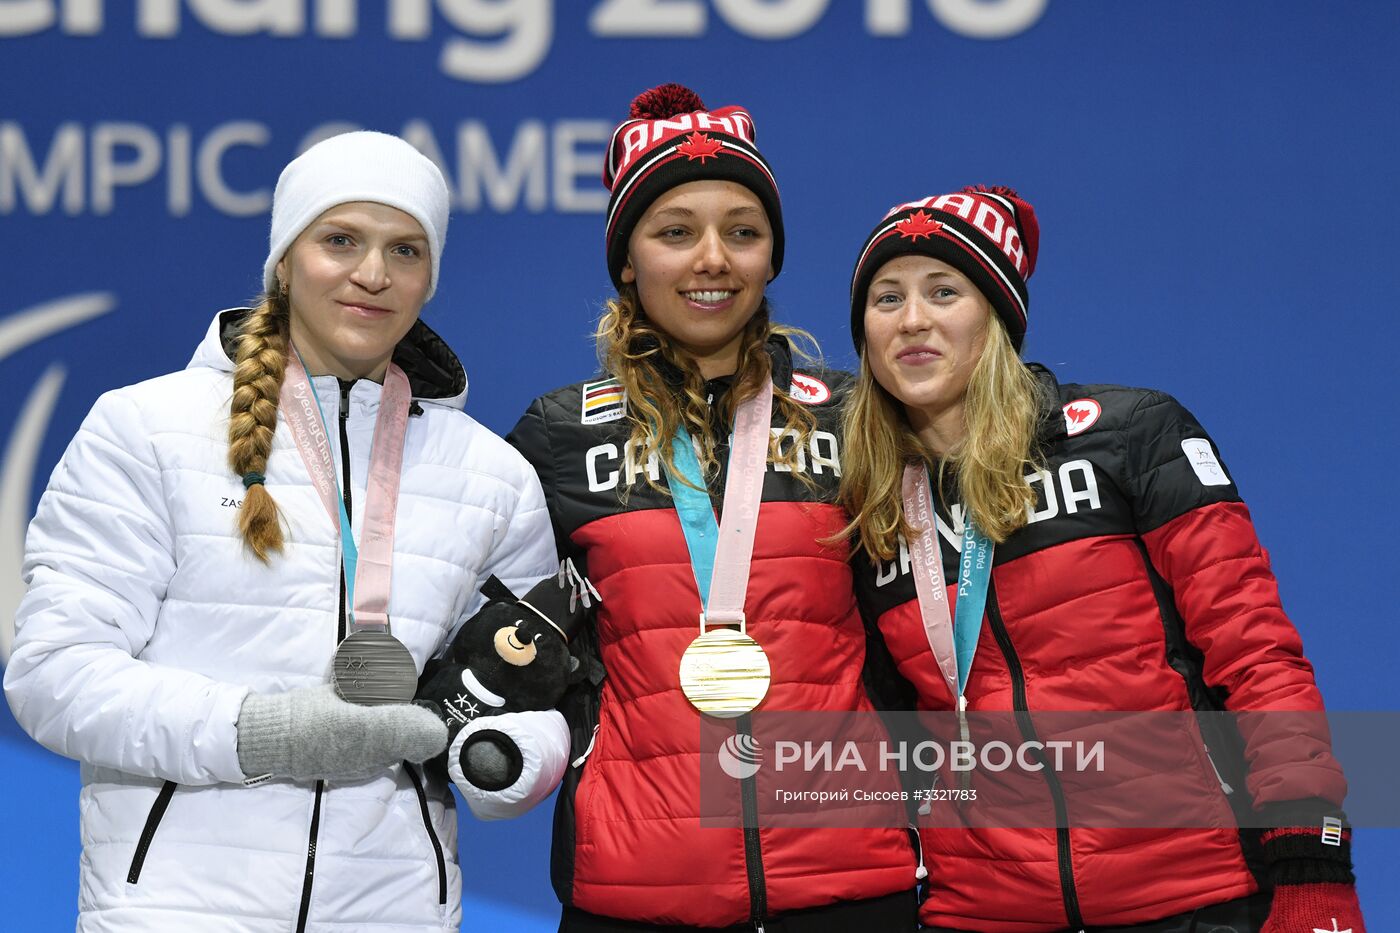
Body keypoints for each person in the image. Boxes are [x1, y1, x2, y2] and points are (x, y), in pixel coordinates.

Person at [4, 131, 564, 932]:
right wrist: (264, 732)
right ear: (284, 258)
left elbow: (535, 692)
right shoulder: (145, 429)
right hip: (173, 908)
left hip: (396, 912)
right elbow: (53, 676)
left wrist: (504, 761)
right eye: (341, 240)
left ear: (429, 277)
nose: (373, 274)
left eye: (404, 250)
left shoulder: (491, 475)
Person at [840, 186, 1366, 932]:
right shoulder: (870, 510)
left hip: (1198, 897)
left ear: (996, 315)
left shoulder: (1130, 438)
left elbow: (1257, 657)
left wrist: (1313, 860)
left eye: (943, 290)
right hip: (985, 913)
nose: (912, 319)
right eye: (886, 297)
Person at [506, 84, 920, 932]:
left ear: (771, 255)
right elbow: (500, 659)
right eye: (674, 232)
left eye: (742, 231)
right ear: (628, 259)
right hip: (637, 893)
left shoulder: (854, 416)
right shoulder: (556, 437)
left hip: (850, 887)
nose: (712, 259)